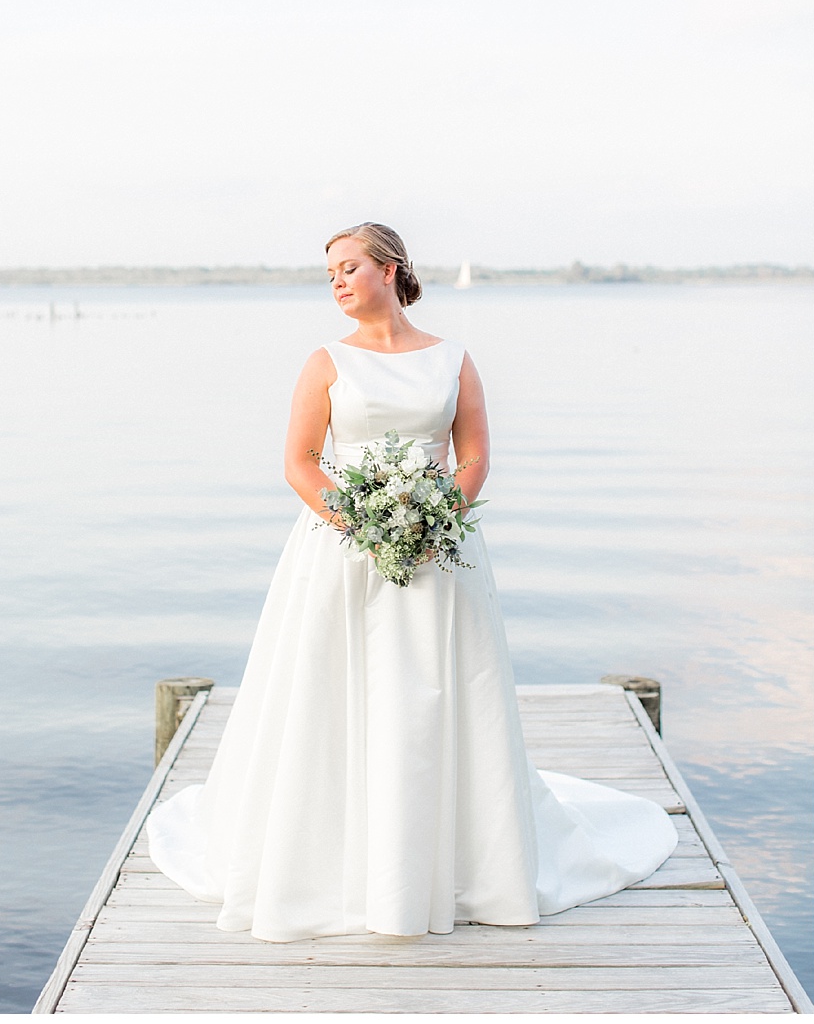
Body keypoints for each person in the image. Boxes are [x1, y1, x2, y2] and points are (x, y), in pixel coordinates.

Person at [146, 222, 677, 941]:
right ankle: (333, 863)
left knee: (435, 695)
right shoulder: (325, 362)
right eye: (329, 271)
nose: (336, 280)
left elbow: (474, 456)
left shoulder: (453, 360)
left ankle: (456, 864)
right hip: (341, 551)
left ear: (391, 270)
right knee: (334, 692)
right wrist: (362, 523)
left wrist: (433, 521)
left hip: (441, 552)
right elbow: (301, 463)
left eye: (349, 266)